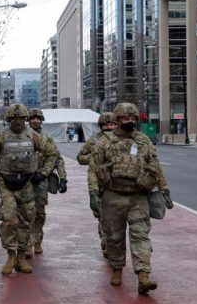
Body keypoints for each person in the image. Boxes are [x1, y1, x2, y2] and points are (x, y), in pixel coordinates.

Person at [87, 103, 173, 294]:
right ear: (117, 120)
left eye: (133, 119)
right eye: (126, 119)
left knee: (140, 235)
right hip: (112, 196)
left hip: (138, 197)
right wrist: (93, 193)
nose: (130, 122)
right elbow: (93, 169)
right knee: (114, 238)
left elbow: (155, 165)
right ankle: (117, 270)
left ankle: (143, 276)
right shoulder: (105, 142)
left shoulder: (143, 141)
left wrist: (164, 189)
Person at [0, 104, 58, 275]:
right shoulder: (2, 137)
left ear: (25, 119)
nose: (18, 122)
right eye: (14, 119)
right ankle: (10, 255)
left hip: (27, 185)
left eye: (21, 118)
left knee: (26, 222)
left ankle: (21, 257)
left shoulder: (33, 136)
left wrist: (43, 173)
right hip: (7, 184)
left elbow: (52, 153)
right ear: (9, 120)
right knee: (9, 219)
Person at [76, 112, 117, 258]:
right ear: (101, 126)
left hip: (120, 184)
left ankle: (115, 244)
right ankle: (106, 242)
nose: (109, 127)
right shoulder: (94, 140)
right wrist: (94, 155)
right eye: (105, 125)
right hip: (100, 183)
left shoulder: (123, 139)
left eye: (111, 124)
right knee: (103, 216)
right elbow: (80, 157)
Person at [27, 108, 67, 256]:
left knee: (39, 213)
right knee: (25, 213)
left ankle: (37, 241)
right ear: (29, 120)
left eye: (38, 118)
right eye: (33, 118)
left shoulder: (47, 139)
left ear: (42, 120)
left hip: (42, 180)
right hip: (24, 180)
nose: (35, 120)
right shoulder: (22, 136)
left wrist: (63, 178)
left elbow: (57, 159)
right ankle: (27, 244)